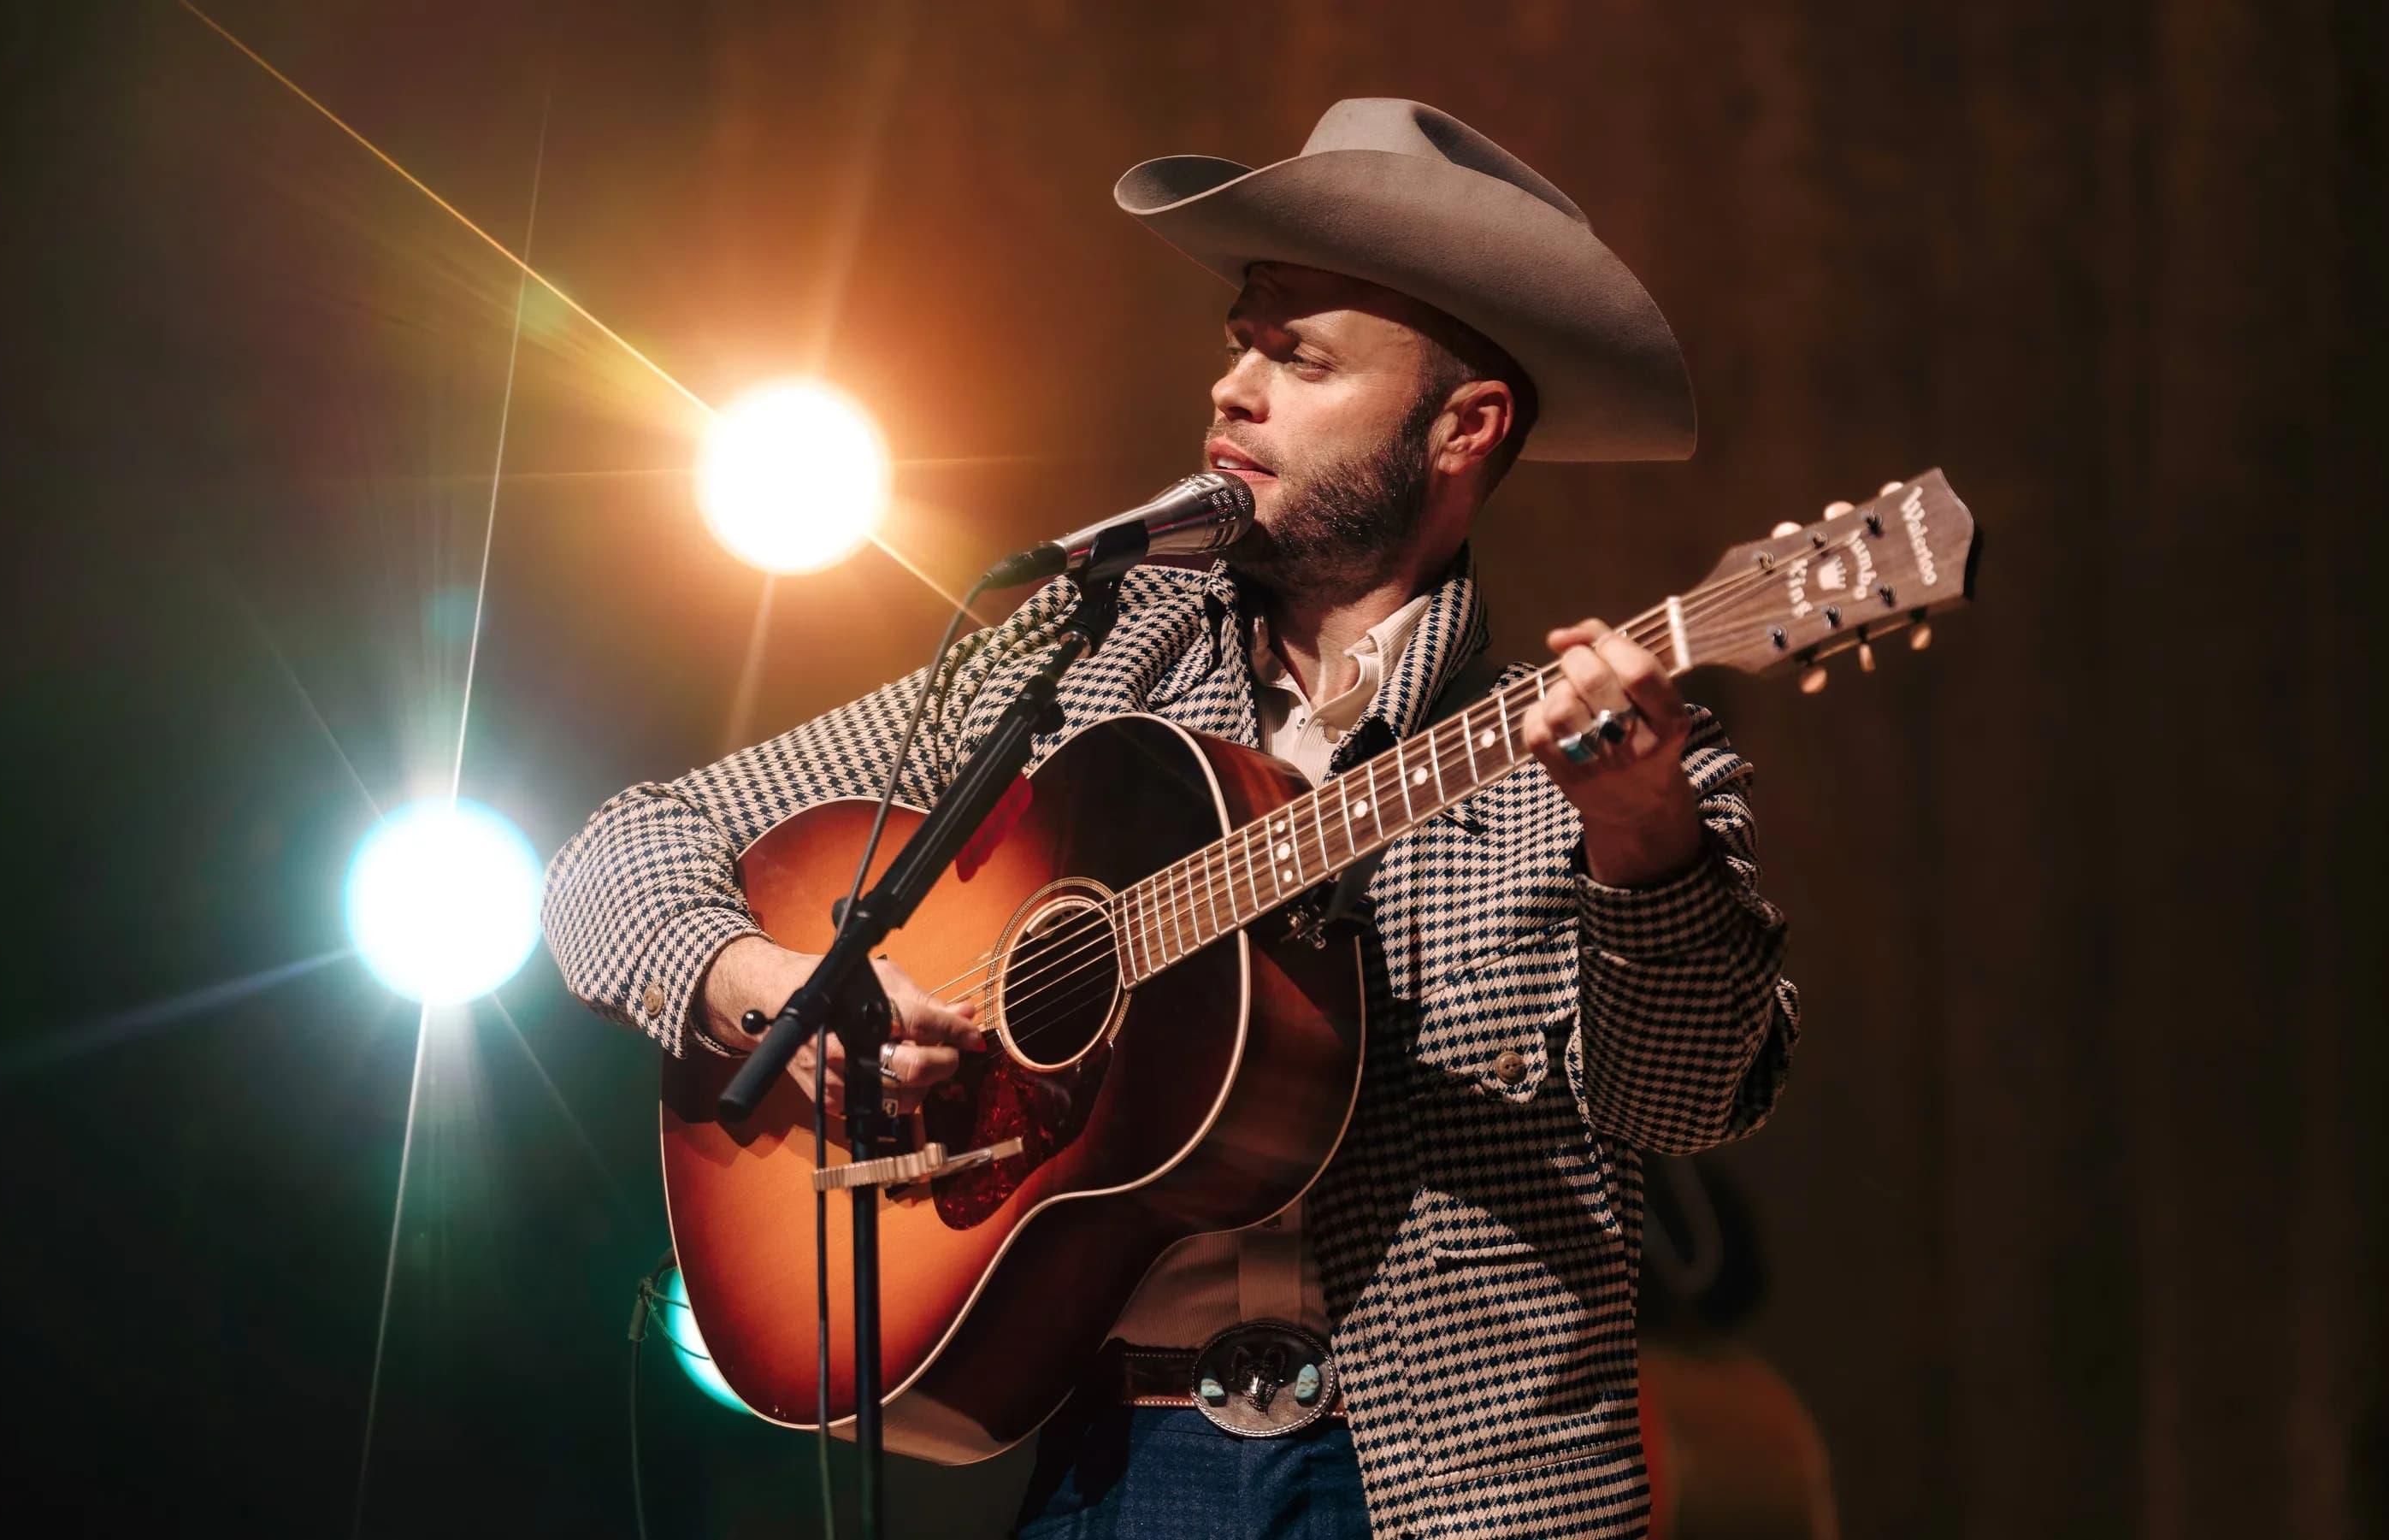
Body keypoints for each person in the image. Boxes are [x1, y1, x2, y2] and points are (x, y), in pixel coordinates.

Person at [544, 98, 1801, 1540]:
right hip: (1111, 1469)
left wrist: (1643, 840)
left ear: (1465, 426)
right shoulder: (1077, 667)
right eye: (1240, 339)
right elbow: (614, 851)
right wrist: (762, 983)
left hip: (1453, 1493)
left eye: (1299, 355)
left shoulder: (1614, 775)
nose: (1233, 390)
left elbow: (1686, 1101)